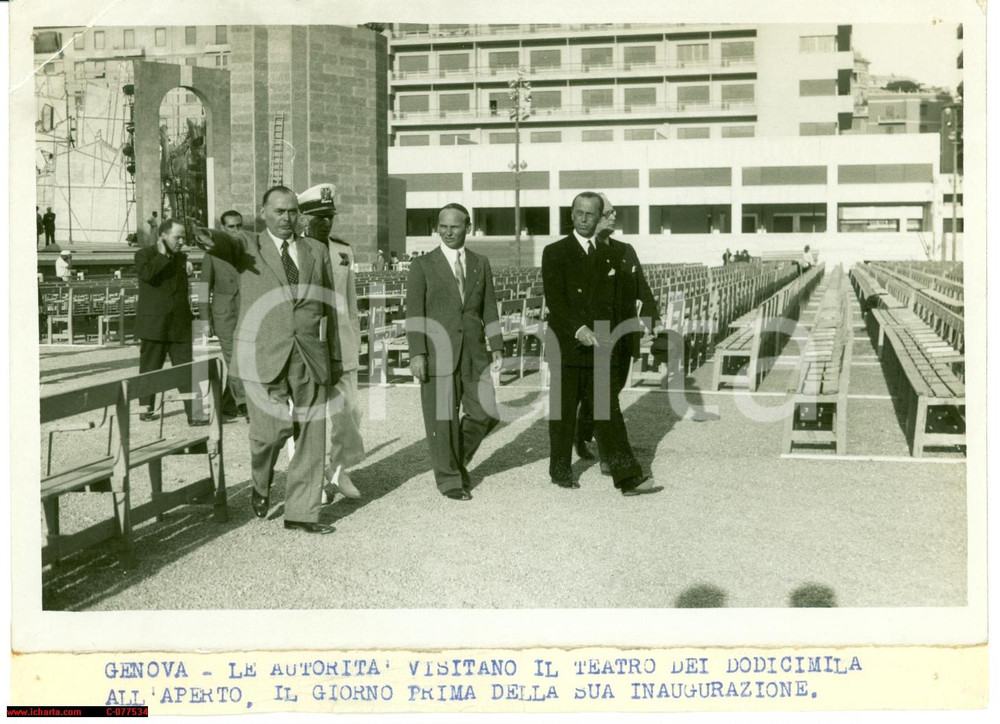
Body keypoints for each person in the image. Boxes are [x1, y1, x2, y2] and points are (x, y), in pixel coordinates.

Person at [190, 186, 340, 534]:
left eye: (291, 212)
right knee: (271, 433)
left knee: (311, 434)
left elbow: (328, 305)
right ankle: (261, 483)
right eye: (278, 212)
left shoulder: (316, 250)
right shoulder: (249, 247)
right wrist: (207, 236)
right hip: (261, 353)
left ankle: (302, 512)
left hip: (308, 353)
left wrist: (332, 356)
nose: (286, 218)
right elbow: (224, 243)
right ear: (263, 213)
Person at [542, 191, 662, 496]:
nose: (584, 219)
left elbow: (614, 302)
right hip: (567, 343)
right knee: (563, 410)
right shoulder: (554, 251)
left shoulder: (610, 254)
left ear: (599, 219)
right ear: (571, 214)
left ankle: (628, 477)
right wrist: (578, 327)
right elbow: (556, 300)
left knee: (606, 410)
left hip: (599, 345)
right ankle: (560, 470)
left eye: (591, 215)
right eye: (579, 213)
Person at [406, 203, 504, 501]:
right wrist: (417, 353)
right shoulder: (423, 265)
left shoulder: (479, 263)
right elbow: (415, 313)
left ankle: (454, 460)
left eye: (455, 226)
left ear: (468, 227)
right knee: (442, 419)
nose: (448, 232)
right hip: (437, 353)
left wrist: (497, 345)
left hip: (474, 352)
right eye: (442, 226)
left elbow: (489, 306)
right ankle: (449, 479)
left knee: (485, 412)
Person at [297, 183, 364, 503]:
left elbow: (350, 305)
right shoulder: (292, 252)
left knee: (349, 412)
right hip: (305, 346)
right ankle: (309, 478)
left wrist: (353, 345)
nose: (325, 223)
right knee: (304, 415)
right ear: (302, 219)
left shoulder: (343, 252)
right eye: (317, 217)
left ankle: (338, 470)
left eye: (329, 217)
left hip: (341, 345)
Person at [134, 218, 207, 426]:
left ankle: (195, 414)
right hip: (153, 325)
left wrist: (181, 261)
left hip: (179, 325)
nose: (182, 241)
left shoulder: (181, 258)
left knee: (186, 370)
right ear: (163, 236)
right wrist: (163, 256)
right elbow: (147, 275)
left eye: (184, 237)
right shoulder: (144, 255)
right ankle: (145, 408)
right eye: (178, 237)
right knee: (150, 369)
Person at [199, 210, 247, 421]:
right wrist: (204, 320)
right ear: (222, 229)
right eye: (231, 227)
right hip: (224, 315)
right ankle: (247, 405)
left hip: (247, 313)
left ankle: (227, 404)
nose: (236, 231)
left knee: (245, 358)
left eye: (239, 226)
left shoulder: (251, 250)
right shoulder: (212, 253)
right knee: (234, 359)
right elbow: (203, 287)